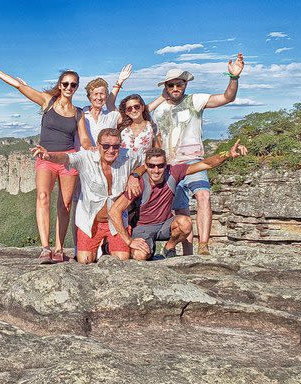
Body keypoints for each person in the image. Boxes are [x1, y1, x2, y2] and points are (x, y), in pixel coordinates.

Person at [0, 58, 91, 264]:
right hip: (44, 157)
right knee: (43, 197)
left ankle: (59, 248)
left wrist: (91, 147)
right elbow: (20, 86)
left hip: (67, 159)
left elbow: (83, 139)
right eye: (65, 84)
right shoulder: (48, 101)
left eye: (73, 84)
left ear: (77, 87)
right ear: (59, 85)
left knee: (64, 205)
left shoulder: (78, 113)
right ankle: (45, 248)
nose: (69, 87)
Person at [148, 53, 245, 255]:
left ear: (185, 85)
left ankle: (204, 246)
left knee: (203, 196)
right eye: (171, 85)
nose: (176, 88)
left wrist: (234, 77)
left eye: (179, 84)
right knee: (180, 210)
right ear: (165, 87)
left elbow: (227, 98)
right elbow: (138, 115)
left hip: (193, 160)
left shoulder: (195, 100)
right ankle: (188, 253)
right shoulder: (159, 109)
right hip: (170, 165)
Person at [107, 140, 248, 260]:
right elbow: (114, 211)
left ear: (166, 164)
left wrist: (227, 154)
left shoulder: (173, 172)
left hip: (165, 225)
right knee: (139, 256)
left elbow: (206, 164)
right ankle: (149, 251)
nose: (156, 170)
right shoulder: (139, 184)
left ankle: (170, 247)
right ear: (146, 165)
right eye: (151, 166)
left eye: (160, 165)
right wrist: (129, 241)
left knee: (185, 223)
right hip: (143, 228)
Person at [31, 128, 144, 264]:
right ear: (98, 145)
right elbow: (67, 158)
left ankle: (107, 247)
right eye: (106, 146)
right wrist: (49, 156)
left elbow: (145, 162)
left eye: (116, 146)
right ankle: (104, 247)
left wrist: (135, 175)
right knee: (85, 261)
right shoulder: (86, 158)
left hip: (116, 223)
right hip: (90, 222)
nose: (111, 150)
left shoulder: (127, 156)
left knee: (121, 260)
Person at [81, 64, 132, 146]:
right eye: (95, 94)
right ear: (89, 97)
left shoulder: (112, 115)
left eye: (102, 94)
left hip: (107, 157)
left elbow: (136, 113)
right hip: (85, 157)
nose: (99, 97)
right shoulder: (80, 113)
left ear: (107, 96)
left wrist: (120, 81)